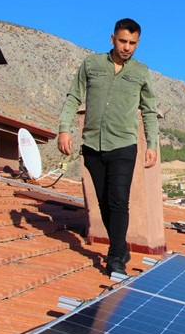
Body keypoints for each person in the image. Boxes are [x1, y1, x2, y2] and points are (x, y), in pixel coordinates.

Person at [57, 18, 158, 275]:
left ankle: (115, 259)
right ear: (112, 39)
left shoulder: (141, 72)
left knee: (118, 201)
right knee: (103, 202)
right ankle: (121, 246)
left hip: (124, 145)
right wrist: (64, 129)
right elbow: (73, 97)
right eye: (123, 41)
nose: (127, 47)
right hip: (92, 145)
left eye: (132, 43)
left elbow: (148, 110)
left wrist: (152, 144)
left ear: (138, 44)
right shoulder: (91, 65)